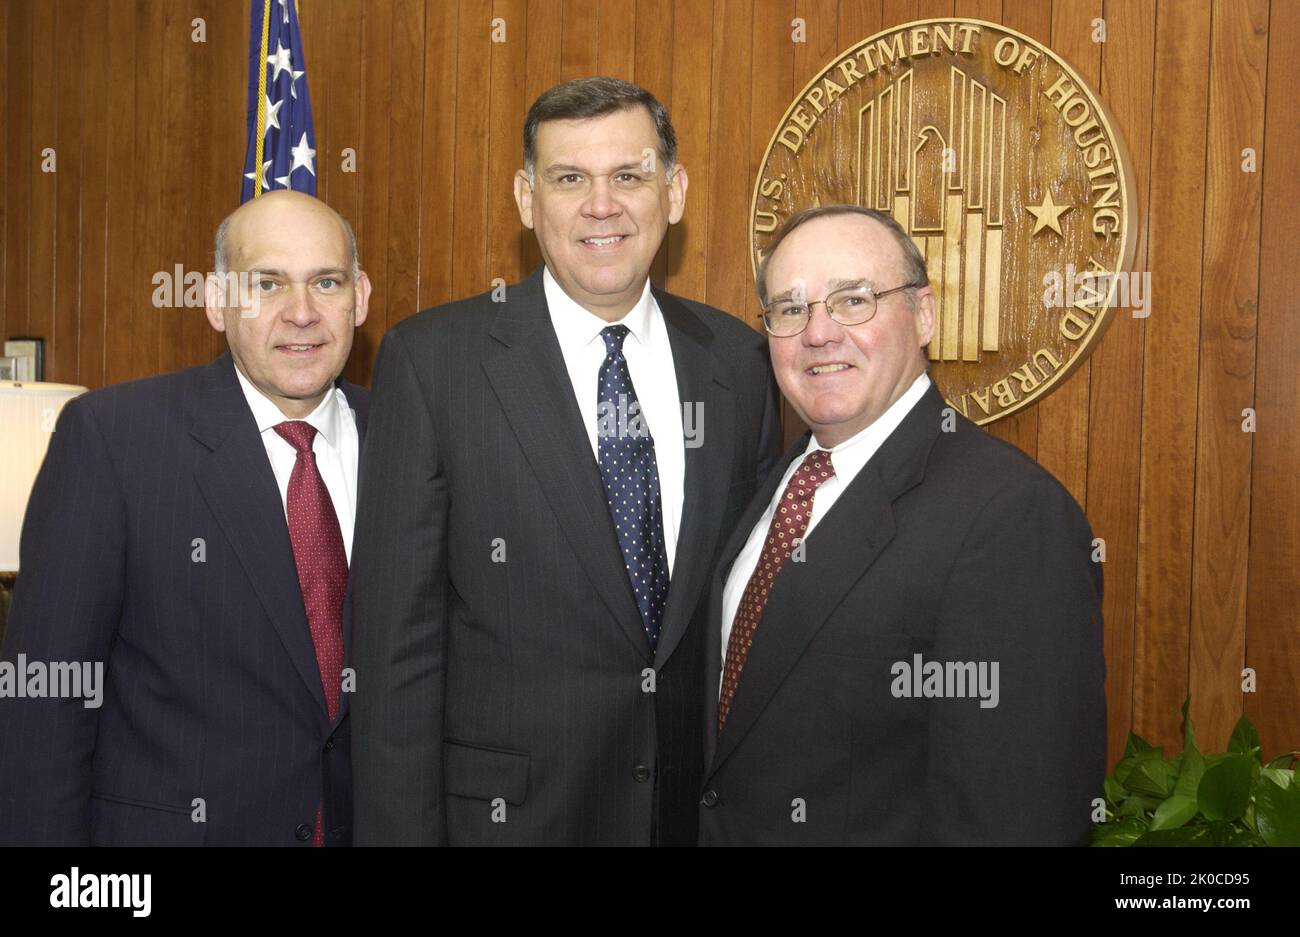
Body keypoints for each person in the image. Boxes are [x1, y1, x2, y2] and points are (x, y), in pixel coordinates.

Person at [351, 76, 782, 846]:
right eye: (569, 178)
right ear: (526, 198)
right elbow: (392, 655)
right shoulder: (433, 363)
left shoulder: (742, 366)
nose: (601, 205)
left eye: (629, 175)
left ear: (674, 191)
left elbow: (748, 621)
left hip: (686, 820)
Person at [699, 204, 1106, 845]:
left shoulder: (1009, 517)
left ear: (924, 315)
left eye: (854, 300)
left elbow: (1019, 818)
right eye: (790, 309)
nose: (819, 333)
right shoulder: (778, 485)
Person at [0, 191, 371, 846]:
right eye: (267, 283)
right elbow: (43, 708)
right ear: (214, 299)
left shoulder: (408, 436)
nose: (303, 312)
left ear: (359, 298)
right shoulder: (112, 441)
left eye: (326, 281)